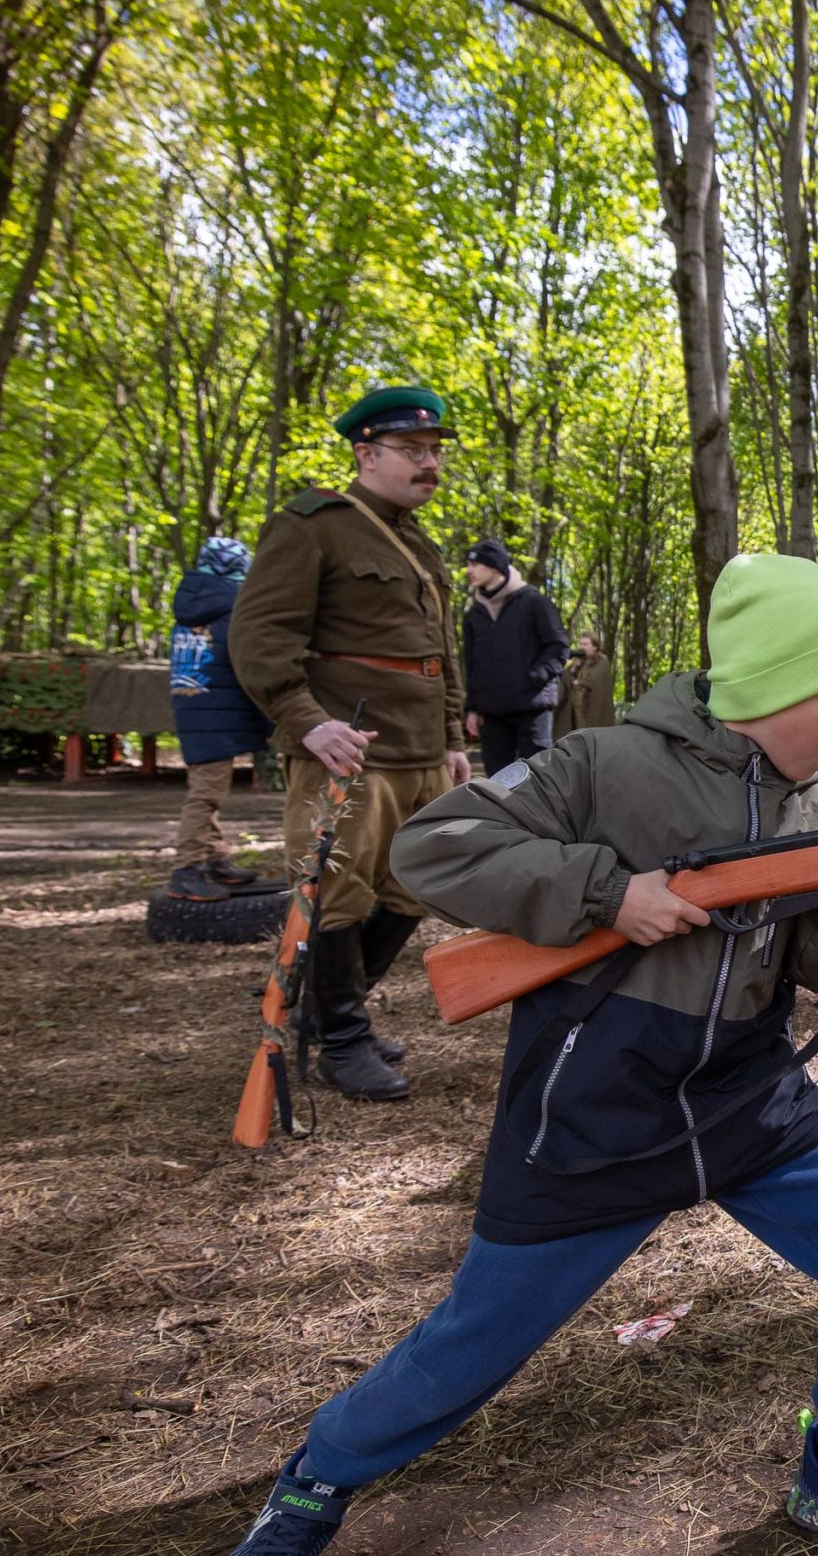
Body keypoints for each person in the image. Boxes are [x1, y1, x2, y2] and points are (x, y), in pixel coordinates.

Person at [190, 554, 818, 1556]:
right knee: (473, 1345)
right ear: (770, 687)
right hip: (596, 1102)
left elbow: (816, 966)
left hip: (745, 1092)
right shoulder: (605, 762)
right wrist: (609, 892)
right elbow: (433, 846)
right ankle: (310, 1489)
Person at [228, 386, 473, 1102]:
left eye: (435, 452)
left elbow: (437, 654)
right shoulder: (312, 526)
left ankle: (326, 1014)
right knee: (335, 893)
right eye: (412, 450)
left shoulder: (416, 541)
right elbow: (259, 637)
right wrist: (307, 721)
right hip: (348, 748)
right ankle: (341, 1040)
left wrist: (451, 735)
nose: (430, 464)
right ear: (366, 454)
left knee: (413, 887)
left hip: (420, 749)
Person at [166, 537, 275, 899]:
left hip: (193, 707)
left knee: (205, 786)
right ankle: (186, 867)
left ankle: (214, 858)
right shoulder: (235, 609)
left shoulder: (190, 608)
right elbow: (249, 666)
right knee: (206, 794)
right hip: (216, 714)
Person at [459, 539, 570, 775]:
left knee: (537, 778)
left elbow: (558, 647)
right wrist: (472, 708)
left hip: (533, 708)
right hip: (492, 713)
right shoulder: (474, 614)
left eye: (475, 564)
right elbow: (472, 664)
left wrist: (533, 678)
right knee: (497, 783)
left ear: (495, 567)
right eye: (468, 564)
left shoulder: (534, 602)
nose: (469, 570)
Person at [559, 632, 619, 735]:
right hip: (577, 714)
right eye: (581, 644)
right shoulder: (579, 662)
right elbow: (565, 679)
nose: (582, 647)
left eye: (586, 644)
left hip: (593, 713)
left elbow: (596, 682)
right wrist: (574, 668)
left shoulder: (602, 661)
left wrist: (579, 682)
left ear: (595, 647)